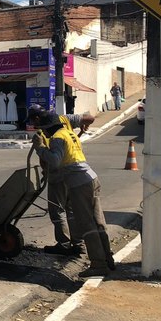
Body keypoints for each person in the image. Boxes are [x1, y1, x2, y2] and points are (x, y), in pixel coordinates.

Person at [31, 112, 115, 278]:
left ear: (48, 128)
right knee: (98, 221)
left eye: (44, 130)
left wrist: (40, 148)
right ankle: (107, 258)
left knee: (86, 224)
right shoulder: (69, 133)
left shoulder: (57, 138)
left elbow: (55, 161)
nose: (44, 133)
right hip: (90, 177)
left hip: (79, 183)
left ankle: (99, 264)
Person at [26, 104, 95, 256]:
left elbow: (50, 159)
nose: (33, 125)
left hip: (58, 172)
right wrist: (81, 127)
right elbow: (90, 118)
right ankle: (78, 243)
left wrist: (41, 152)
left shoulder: (45, 133)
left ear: (37, 118)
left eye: (32, 121)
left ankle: (64, 244)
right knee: (71, 209)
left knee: (57, 209)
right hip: (72, 171)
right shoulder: (65, 120)